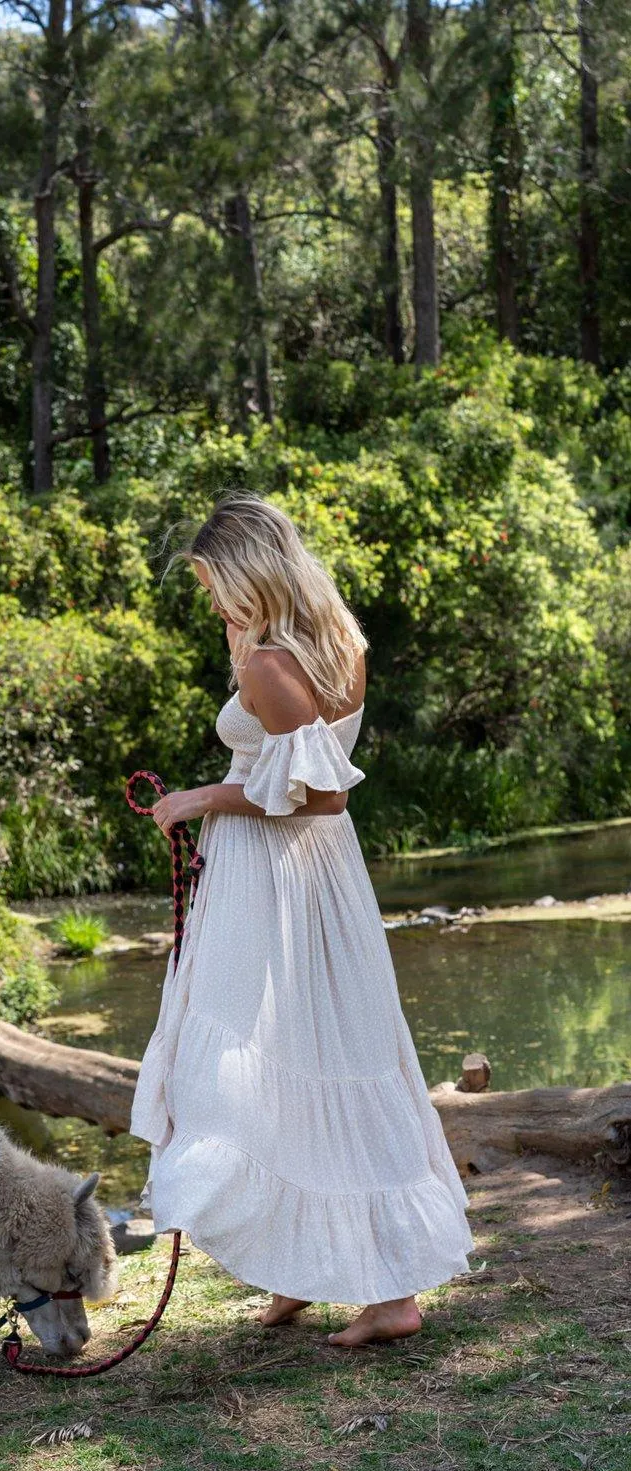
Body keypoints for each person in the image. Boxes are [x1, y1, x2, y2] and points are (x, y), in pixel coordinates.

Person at [130, 492, 474, 1347]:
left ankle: (388, 1294)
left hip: (277, 875)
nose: (213, 604)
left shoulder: (266, 664)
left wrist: (198, 797)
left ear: (250, 573)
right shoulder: (334, 638)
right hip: (317, 877)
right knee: (309, 1055)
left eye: (216, 585)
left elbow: (316, 795)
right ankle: (301, 1270)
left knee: (239, 1075)